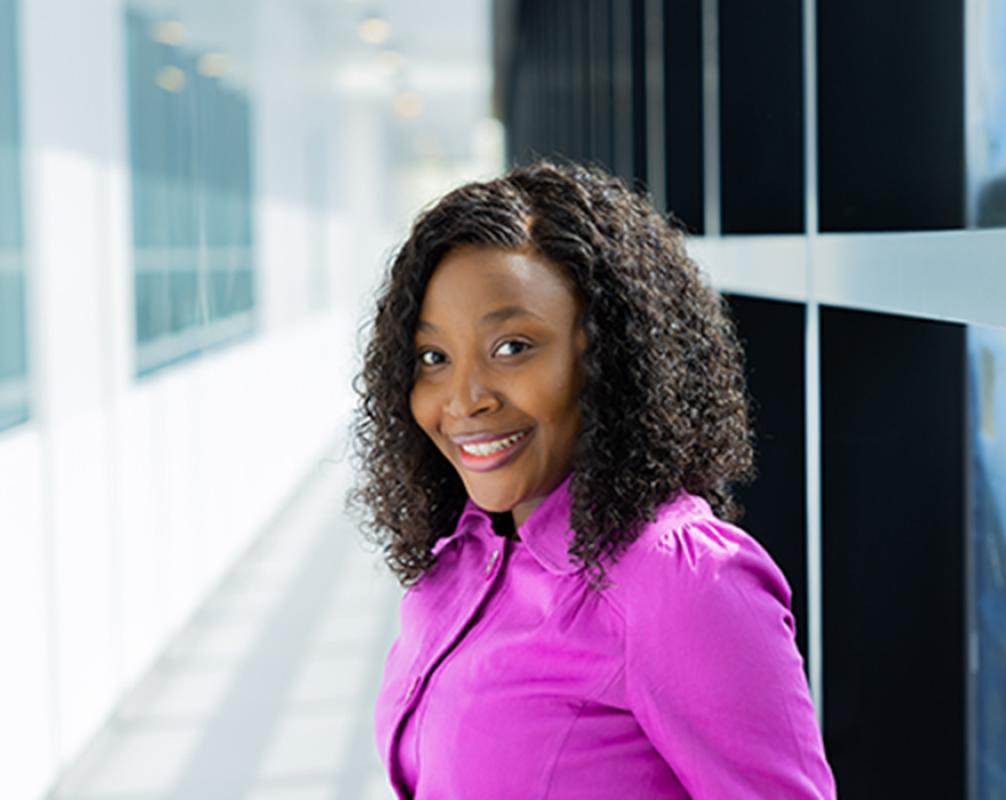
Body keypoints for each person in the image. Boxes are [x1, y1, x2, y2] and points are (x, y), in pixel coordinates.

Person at [354, 161, 836, 798]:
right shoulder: (461, 560)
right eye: (433, 358)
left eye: (512, 348)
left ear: (607, 358)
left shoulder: (681, 583)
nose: (464, 399)